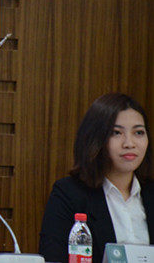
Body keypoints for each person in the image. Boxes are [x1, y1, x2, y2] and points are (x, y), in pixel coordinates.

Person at [39, 93, 152, 263]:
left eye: (138, 132)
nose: (129, 143)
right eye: (116, 133)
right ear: (95, 138)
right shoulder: (69, 194)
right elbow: (53, 258)